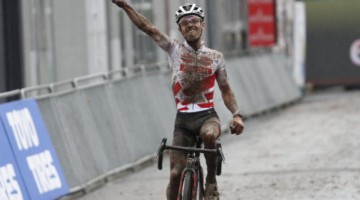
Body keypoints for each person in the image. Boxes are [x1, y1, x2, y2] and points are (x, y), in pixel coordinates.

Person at [111, 1, 244, 199]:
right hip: (183, 122)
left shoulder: (216, 57)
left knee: (209, 135)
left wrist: (236, 115)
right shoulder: (174, 50)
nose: (190, 25)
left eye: (194, 21)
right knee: (174, 175)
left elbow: (226, 90)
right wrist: (125, 6)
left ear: (202, 25)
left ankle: (210, 182)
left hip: (207, 116)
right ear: (180, 29)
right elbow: (147, 27)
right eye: (185, 23)